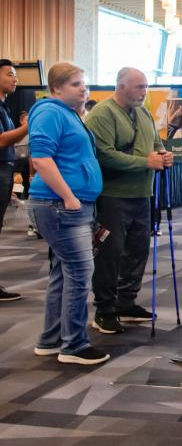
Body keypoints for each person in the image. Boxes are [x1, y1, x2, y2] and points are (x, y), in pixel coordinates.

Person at [28, 62, 109, 365]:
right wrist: (69, 196)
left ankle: (50, 340)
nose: (83, 89)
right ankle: (73, 345)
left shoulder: (68, 114)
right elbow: (41, 158)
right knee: (79, 273)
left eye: (84, 83)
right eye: (76, 84)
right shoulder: (50, 112)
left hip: (65, 205)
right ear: (56, 88)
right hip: (60, 206)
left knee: (63, 274)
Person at [86, 68, 172, 334]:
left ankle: (126, 301)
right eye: (138, 87)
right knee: (110, 253)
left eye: (145, 87)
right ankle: (105, 309)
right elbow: (104, 155)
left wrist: (163, 155)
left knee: (138, 250)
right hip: (112, 195)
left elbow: (156, 144)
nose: (144, 93)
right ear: (121, 86)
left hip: (142, 194)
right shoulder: (102, 113)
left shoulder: (144, 112)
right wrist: (146, 161)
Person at [0, 59, 29, 300]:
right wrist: (27, 127)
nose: (15, 78)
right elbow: (1, 140)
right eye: (10, 73)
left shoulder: (4, 106)